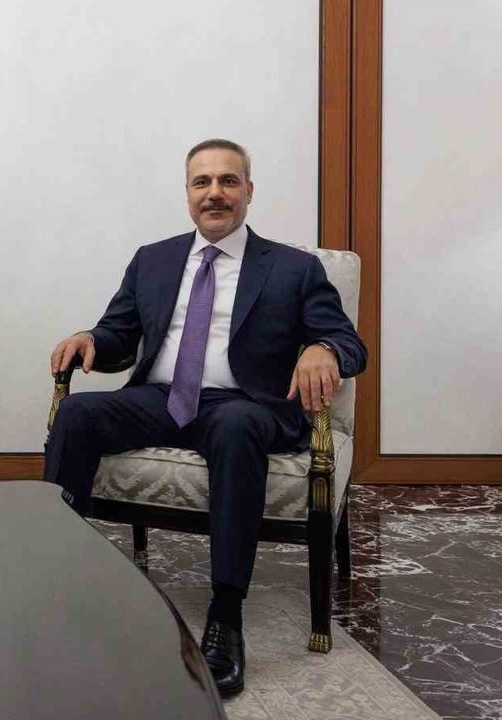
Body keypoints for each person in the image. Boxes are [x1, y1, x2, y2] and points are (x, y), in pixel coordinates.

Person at [44, 139, 366, 697]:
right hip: (162, 397)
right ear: (188, 193)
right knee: (76, 413)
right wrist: (89, 338)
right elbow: (118, 335)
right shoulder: (153, 259)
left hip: (245, 405)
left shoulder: (294, 268)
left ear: (248, 191)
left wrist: (324, 349)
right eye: (202, 182)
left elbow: (349, 343)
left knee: (236, 427)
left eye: (228, 181)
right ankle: (57, 580)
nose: (214, 193)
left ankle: (225, 616)